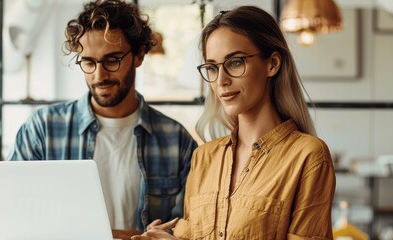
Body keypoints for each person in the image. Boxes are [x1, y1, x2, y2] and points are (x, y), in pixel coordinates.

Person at [132, 6, 335, 240]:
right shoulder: (203, 158)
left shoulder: (308, 156)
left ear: (273, 63)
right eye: (212, 68)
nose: (221, 81)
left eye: (235, 62)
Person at [7, 0, 198, 232]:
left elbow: (186, 231)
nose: (100, 75)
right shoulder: (42, 130)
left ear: (138, 56)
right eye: (88, 62)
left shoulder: (177, 141)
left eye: (112, 60)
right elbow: (14, 217)